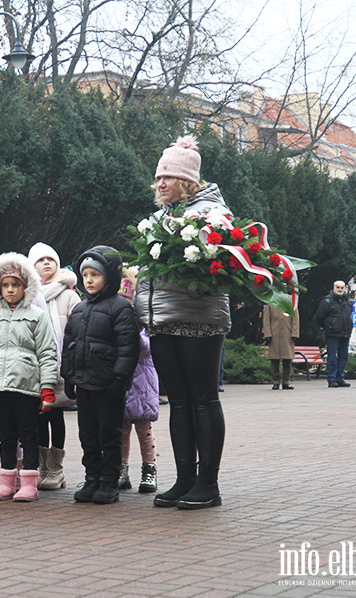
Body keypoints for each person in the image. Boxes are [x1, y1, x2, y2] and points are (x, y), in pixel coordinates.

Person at [133, 135, 231, 510]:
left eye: (168, 177)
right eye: (158, 177)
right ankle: (184, 480)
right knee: (178, 402)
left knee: (203, 398)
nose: (160, 184)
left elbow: (218, 261)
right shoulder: (160, 218)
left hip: (200, 320)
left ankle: (208, 483)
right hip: (163, 322)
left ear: (187, 180)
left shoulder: (213, 213)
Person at [0, 253, 58, 502]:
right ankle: (7, 480)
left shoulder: (37, 316)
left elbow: (47, 353)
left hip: (27, 386)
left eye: (15, 285)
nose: (10, 290)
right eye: (5, 285)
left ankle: (29, 482)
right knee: (6, 434)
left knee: (28, 434)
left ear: (25, 286)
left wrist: (47, 387)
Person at [62, 245, 141, 505]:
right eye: (85, 276)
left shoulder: (120, 307)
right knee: (88, 435)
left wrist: (120, 379)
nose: (89, 280)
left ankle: (109, 480)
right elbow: (69, 344)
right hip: (85, 383)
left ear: (109, 277)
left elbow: (129, 348)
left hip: (108, 385)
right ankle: (92, 477)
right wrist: (69, 377)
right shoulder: (80, 309)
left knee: (109, 434)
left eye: (95, 275)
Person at [28, 242, 79, 491]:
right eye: (40, 260)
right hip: (35, 367)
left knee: (57, 415)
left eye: (51, 259)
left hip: (60, 366)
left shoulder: (69, 293)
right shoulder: (27, 294)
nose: (46, 263)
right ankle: (42, 467)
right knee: (39, 417)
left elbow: (79, 328)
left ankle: (56, 469)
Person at [118, 266, 160, 493]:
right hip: (123, 381)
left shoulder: (142, 321)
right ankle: (122, 469)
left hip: (141, 382)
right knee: (123, 429)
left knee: (144, 430)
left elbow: (146, 347)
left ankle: (149, 468)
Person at [315, 280, 353, 388]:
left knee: (343, 357)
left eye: (342, 288)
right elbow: (319, 317)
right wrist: (328, 326)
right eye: (338, 287)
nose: (340, 290)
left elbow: (348, 315)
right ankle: (332, 379)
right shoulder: (327, 301)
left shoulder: (348, 301)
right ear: (334, 288)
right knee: (332, 357)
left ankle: (340, 378)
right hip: (332, 334)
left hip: (345, 333)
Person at [263, 302, 299, 390]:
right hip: (274, 335)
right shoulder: (270, 301)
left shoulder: (291, 301)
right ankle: (275, 381)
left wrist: (295, 333)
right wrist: (267, 334)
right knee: (274, 360)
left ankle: (286, 381)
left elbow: (295, 319)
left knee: (287, 359)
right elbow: (266, 319)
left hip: (288, 335)